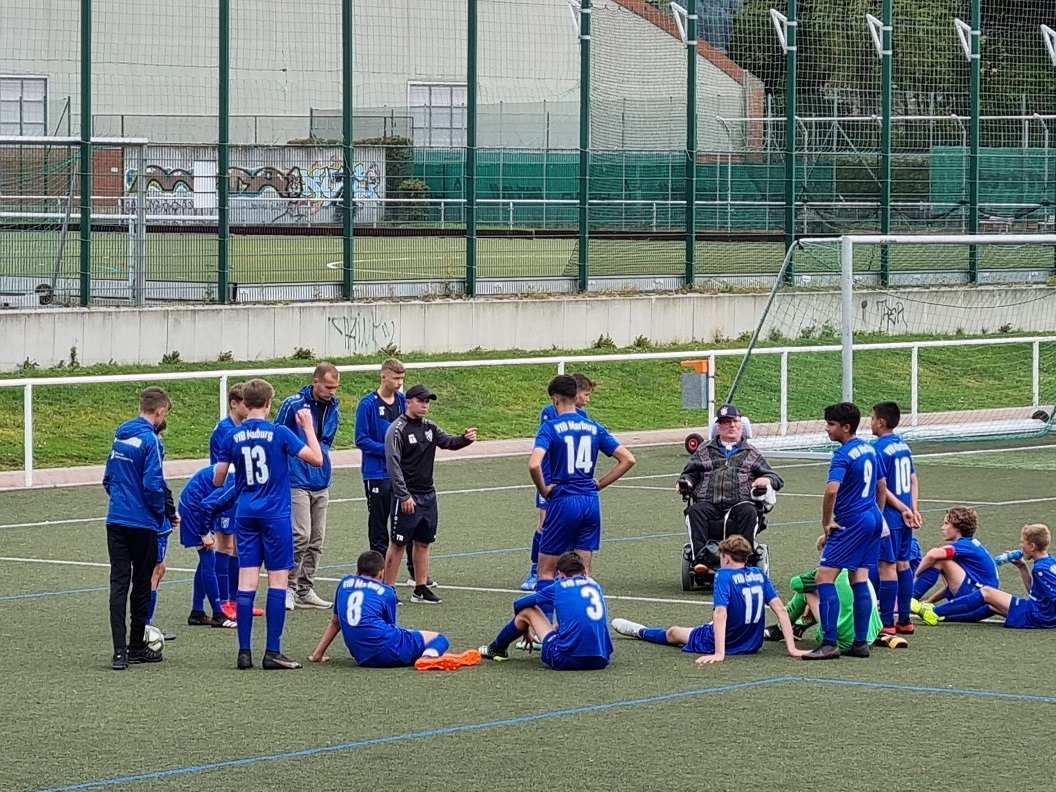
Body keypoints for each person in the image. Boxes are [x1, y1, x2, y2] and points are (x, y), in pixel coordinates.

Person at [213, 378, 323, 670]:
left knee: (246, 582)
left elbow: (218, 479)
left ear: (245, 403)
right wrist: (308, 427)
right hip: (275, 515)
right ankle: (272, 651)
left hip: (245, 513)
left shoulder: (231, 436)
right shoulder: (279, 432)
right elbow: (316, 459)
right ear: (268, 403)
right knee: (277, 581)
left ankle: (244, 652)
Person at [611, 536, 806, 663]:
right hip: (752, 643)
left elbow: (720, 613)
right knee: (715, 622)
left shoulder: (723, 575)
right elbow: (781, 610)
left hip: (727, 642)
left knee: (673, 633)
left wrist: (719, 653)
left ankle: (640, 631)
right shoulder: (759, 574)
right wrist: (792, 648)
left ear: (726, 557)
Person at [530, 375, 635, 598]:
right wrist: (600, 484)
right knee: (582, 570)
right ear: (575, 396)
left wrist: (543, 489)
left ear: (556, 399)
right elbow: (628, 459)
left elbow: (534, 464)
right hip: (590, 502)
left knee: (546, 570)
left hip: (564, 500)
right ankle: (582, 616)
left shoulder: (550, 427)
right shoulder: (593, 427)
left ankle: (545, 620)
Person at [803, 401, 885, 661]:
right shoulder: (869, 449)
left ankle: (829, 643)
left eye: (831, 424)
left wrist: (826, 522)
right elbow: (881, 485)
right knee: (858, 577)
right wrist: (878, 516)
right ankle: (860, 643)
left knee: (824, 578)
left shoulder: (842, 455)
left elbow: (831, 491)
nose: (827, 429)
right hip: (872, 517)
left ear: (846, 427)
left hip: (852, 521)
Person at [382, 383, 476, 604]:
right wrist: (403, 495)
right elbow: (393, 465)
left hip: (428, 495)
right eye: (420, 401)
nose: (425, 405)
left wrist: (464, 439)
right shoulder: (397, 429)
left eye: (427, 402)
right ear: (408, 402)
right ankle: (388, 590)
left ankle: (421, 588)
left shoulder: (430, 427)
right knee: (398, 543)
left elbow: (448, 442)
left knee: (423, 542)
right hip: (408, 496)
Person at [308, 550, 480, 671]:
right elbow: (391, 625)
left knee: (409, 636)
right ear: (381, 574)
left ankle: (427, 654)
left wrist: (317, 655)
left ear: (357, 571)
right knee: (439, 638)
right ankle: (429, 657)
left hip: (362, 657)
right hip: (386, 650)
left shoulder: (344, 583)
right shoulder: (386, 592)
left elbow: (335, 622)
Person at [102, 386, 172, 670]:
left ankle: (119, 652)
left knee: (119, 583)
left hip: (115, 519)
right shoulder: (150, 440)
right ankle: (136, 647)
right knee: (142, 583)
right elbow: (153, 484)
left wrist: (121, 501)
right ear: (160, 411)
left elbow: (108, 479)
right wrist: (161, 513)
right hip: (142, 522)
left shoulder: (120, 436)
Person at [677, 403, 782, 574]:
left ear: (741, 425)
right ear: (718, 426)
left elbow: (776, 478)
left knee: (749, 511)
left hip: (739, 504)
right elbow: (689, 474)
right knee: (695, 511)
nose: (731, 426)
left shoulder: (751, 453)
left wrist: (766, 479)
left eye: (735, 421)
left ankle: (742, 560)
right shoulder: (704, 450)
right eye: (726, 422)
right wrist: (685, 482)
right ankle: (702, 562)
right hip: (708, 503)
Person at [276, 362, 342, 611]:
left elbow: (326, 442)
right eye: (328, 387)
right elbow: (277, 436)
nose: (332, 392)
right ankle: (288, 587)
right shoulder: (293, 404)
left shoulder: (334, 408)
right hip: (295, 479)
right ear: (315, 382)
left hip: (321, 479)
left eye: (335, 388)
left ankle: (306, 587)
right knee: (300, 535)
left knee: (317, 539)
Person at [522, 372, 596, 591]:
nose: (587, 399)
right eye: (585, 394)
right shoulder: (550, 413)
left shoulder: (584, 417)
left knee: (571, 529)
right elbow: (541, 454)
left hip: (572, 487)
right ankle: (536, 569)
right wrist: (544, 485)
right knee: (544, 523)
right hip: (550, 479)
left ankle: (563, 572)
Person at [480, 551, 613, 670]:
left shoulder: (559, 586)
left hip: (565, 659)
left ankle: (496, 648)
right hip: (601, 658)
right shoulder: (594, 584)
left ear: (560, 574)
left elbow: (519, 604)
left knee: (527, 611)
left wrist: (525, 630)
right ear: (583, 571)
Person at [916, 524, 1056, 629]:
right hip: (1040, 612)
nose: (1020, 546)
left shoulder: (1041, 569)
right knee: (990, 605)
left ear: (1032, 546)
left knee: (987, 592)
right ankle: (939, 615)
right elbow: (1035, 592)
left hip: (1037, 615)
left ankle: (933, 612)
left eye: (1022, 543)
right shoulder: (1049, 561)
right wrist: (1022, 567)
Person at [354, 358, 418, 584]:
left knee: (408, 524)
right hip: (377, 474)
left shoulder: (402, 401)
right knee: (379, 528)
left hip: (401, 476)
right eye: (396, 378)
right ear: (383, 376)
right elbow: (361, 439)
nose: (400, 382)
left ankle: (415, 574)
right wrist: (390, 451)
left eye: (402, 378)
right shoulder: (368, 404)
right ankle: (378, 576)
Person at [763, 534, 886, 650]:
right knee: (829, 592)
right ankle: (799, 626)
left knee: (807, 590)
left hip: (844, 638)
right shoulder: (859, 571)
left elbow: (795, 583)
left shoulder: (827, 571)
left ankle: (781, 628)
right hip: (868, 636)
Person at [871, 401, 922, 642]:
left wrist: (901, 508)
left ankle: (887, 622)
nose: (871, 423)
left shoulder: (878, 448)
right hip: (906, 517)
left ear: (881, 421)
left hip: (891, 517)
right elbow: (913, 479)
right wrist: (913, 508)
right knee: (904, 565)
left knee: (887, 567)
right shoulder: (903, 445)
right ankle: (904, 620)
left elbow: (882, 486)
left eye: (872, 418)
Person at [910, 506, 998, 623]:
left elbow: (933, 554)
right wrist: (930, 601)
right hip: (980, 602)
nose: (942, 527)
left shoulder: (965, 545)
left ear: (957, 528)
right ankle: (921, 605)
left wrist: (916, 574)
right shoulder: (970, 544)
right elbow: (951, 586)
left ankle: (907, 599)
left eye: (946, 524)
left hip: (976, 598)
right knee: (943, 559)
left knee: (941, 559)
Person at [181, 464, 238, 629]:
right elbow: (207, 505)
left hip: (202, 506)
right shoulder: (236, 478)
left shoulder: (239, 474)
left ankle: (197, 612)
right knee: (208, 559)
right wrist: (204, 533)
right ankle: (218, 614)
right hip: (195, 508)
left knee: (205, 561)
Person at [209, 382, 249, 619]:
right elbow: (221, 467)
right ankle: (223, 602)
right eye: (245, 403)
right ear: (234, 403)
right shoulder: (224, 430)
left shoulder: (242, 427)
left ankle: (234, 600)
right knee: (224, 545)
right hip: (226, 492)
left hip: (239, 492)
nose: (249, 407)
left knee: (236, 547)